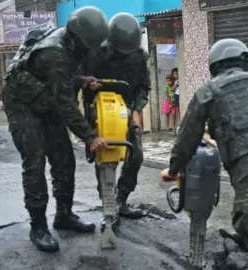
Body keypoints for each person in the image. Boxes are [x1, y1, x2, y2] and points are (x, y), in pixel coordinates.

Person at [160, 38, 248, 270]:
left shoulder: (208, 91)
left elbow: (187, 138)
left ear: (215, 65)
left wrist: (173, 169)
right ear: (245, 62)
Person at [1, 6, 109, 253]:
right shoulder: (57, 53)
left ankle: (64, 215)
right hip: (22, 105)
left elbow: (58, 79)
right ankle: (38, 226)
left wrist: (81, 81)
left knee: (64, 159)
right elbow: (66, 106)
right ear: (78, 38)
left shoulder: (70, 42)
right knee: (35, 161)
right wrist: (91, 137)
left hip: (45, 98)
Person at [81, 12, 150, 227]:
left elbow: (143, 87)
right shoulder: (95, 54)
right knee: (104, 155)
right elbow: (80, 82)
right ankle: (108, 204)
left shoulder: (139, 56)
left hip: (126, 110)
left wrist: (137, 111)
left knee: (136, 155)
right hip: (99, 109)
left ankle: (121, 199)